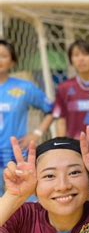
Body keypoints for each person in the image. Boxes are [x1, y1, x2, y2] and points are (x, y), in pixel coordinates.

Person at [0, 40, 53, 197]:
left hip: (15, 154)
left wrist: (36, 133)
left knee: (23, 202)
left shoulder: (24, 88)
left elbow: (53, 110)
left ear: (13, 61)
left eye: (3, 56)